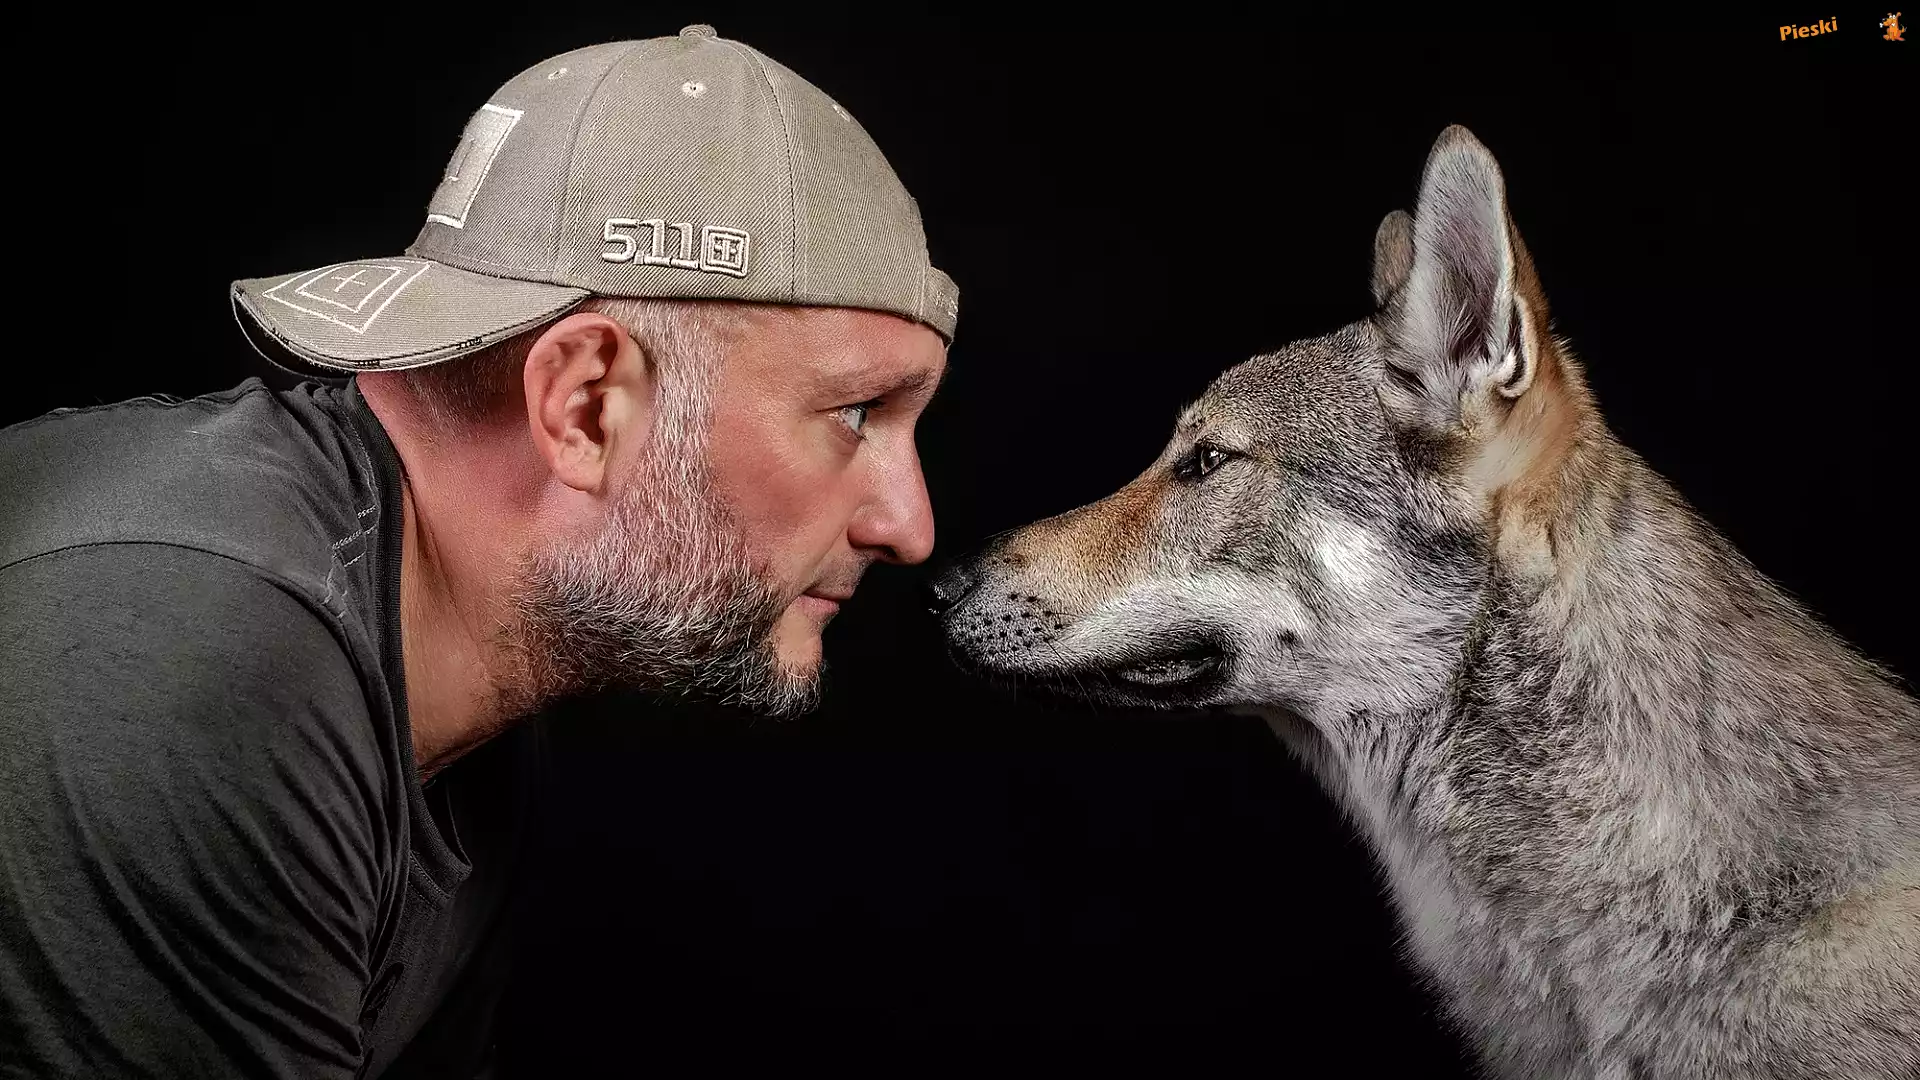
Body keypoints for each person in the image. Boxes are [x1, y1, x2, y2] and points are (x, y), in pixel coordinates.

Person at [0, 25, 956, 1079]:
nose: (909, 527)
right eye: (856, 412)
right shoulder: (181, 656)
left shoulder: (472, 721)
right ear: (586, 405)